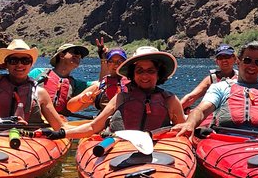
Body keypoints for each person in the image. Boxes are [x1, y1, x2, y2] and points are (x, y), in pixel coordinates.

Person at [175, 41, 258, 137]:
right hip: (227, 142)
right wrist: (190, 123)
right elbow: (201, 111)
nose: (252, 65)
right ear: (239, 62)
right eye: (247, 60)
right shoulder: (220, 87)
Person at [52, 46, 185, 139]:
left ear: (158, 74)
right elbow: (93, 127)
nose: (145, 76)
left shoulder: (170, 100)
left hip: (159, 150)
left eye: (150, 71)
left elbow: (183, 132)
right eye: (139, 71)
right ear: (132, 73)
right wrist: (60, 134)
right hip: (120, 146)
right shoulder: (120, 98)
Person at [0, 39, 66, 131]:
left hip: (28, 142)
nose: (19, 64)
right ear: (6, 64)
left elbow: (59, 127)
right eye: (13, 60)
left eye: (25, 60)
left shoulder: (40, 93)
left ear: (31, 64)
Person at [29, 43, 94, 115]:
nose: (79, 56)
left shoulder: (75, 84)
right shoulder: (38, 73)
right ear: (62, 55)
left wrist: (103, 60)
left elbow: (100, 84)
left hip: (57, 122)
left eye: (80, 55)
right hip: (34, 120)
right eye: (75, 52)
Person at [67, 47, 129, 113]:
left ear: (125, 63)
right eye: (111, 61)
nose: (116, 64)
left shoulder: (134, 83)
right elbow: (70, 107)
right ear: (107, 64)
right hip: (106, 122)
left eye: (120, 61)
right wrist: (83, 99)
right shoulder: (100, 86)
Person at [180, 44, 238, 111]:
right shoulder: (212, 79)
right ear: (217, 61)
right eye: (220, 58)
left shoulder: (241, 77)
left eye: (227, 56)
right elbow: (192, 97)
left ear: (234, 59)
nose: (224, 60)